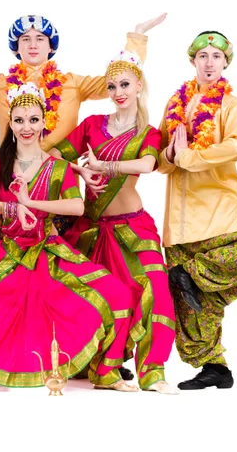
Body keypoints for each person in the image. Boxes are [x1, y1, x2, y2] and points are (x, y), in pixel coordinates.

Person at [0, 83, 137, 392]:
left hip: (50, 251)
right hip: (8, 251)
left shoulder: (59, 166)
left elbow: (77, 206)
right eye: (20, 120)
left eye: (34, 120)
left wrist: (31, 202)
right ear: (10, 123)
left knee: (116, 295)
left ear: (44, 123)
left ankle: (107, 372)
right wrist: (10, 207)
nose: (27, 127)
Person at [0, 14, 165, 241]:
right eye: (25, 38)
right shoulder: (0, 85)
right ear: (16, 46)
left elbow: (121, 76)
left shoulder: (74, 83)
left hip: (61, 184)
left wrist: (137, 38)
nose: (33, 44)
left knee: (60, 269)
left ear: (52, 45)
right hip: (13, 182)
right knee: (8, 265)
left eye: (40, 38)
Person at [158, 31, 237, 390]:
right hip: (179, 209)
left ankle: (190, 272)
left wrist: (189, 157)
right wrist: (169, 155)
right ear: (192, 61)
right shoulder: (174, 102)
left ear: (226, 62)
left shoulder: (233, 105)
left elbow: (233, 148)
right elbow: (163, 162)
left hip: (219, 200)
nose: (209, 62)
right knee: (192, 300)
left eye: (216, 56)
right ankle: (216, 368)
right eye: (202, 56)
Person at [52, 50, 178, 394]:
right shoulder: (92, 125)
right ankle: (103, 365)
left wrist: (103, 166)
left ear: (139, 85)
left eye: (124, 84)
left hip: (134, 226)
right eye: (111, 86)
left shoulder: (149, 132)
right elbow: (51, 156)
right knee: (102, 297)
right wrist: (79, 169)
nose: (118, 91)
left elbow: (147, 165)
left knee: (155, 288)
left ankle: (154, 372)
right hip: (92, 228)